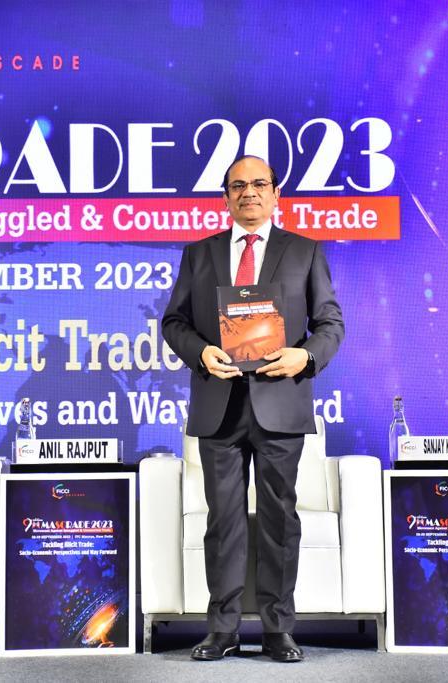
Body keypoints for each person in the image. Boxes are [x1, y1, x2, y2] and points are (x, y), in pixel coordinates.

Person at [162, 155, 344, 663]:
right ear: (225, 197)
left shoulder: (304, 251)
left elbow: (330, 323)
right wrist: (201, 352)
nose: (249, 192)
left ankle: (278, 629)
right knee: (222, 522)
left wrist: (304, 356)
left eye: (259, 183)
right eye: (238, 185)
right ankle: (221, 629)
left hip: (281, 403)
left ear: (276, 192)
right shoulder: (199, 254)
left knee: (279, 520)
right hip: (218, 404)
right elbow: (174, 322)